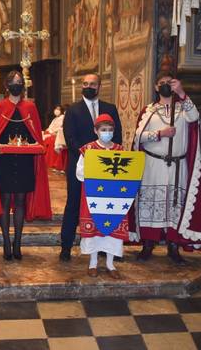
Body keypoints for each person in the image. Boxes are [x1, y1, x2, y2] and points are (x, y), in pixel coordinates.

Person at [129, 71, 201, 263]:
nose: (165, 85)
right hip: (153, 165)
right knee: (151, 205)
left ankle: (173, 246)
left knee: (174, 206)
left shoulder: (183, 109)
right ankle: (148, 244)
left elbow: (195, 116)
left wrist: (182, 93)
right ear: (156, 87)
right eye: (161, 83)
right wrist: (159, 134)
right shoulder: (149, 111)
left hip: (177, 166)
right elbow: (139, 138)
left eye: (169, 83)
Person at [0, 71, 52, 260]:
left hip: (25, 160)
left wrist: (37, 145)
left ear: (23, 86)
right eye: (13, 82)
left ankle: (17, 243)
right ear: (6, 85)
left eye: (19, 82)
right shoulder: (0, 106)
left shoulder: (31, 107)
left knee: (20, 202)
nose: (16, 85)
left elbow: (36, 135)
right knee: (4, 201)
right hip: (5, 161)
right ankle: (6, 244)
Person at [59, 73, 122, 262]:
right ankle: (66, 246)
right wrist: (89, 155)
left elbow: (117, 136)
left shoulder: (110, 109)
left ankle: (104, 247)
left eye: (92, 84)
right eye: (85, 83)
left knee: (104, 208)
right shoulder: (73, 110)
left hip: (106, 167)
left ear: (99, 87)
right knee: (73, 205)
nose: (88, 87)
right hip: (79, 165)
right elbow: (70, 138)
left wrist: (107, 157)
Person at [77, 114, 127, 279]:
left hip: (114, 197)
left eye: (110, 130)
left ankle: (110, 264)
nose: (107, 133)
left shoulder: (120, 150)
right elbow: (79, 172)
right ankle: (93, 263)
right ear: (96, 131)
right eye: (103, 130)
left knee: (112, 229)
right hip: (93, 196)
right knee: (95, 229)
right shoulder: (88, 149)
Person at [44, 105, 67, 173]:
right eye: (56, 108)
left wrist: (51, 132)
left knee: (51, 140)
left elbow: (58, 128)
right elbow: (50, 127)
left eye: (58, 109)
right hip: (51, 132)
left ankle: (51, 162)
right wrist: (48, 131)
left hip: (56, 134)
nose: (56, 110)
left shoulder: (62, 117)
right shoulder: (55, 118)